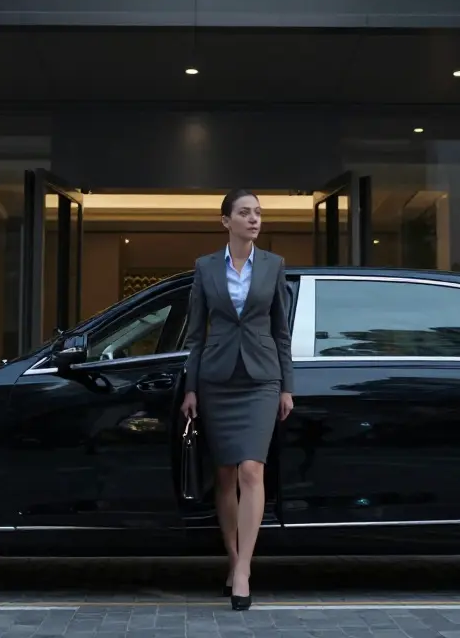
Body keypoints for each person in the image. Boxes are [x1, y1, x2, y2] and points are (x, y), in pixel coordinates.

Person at [179, 189, 295, 611]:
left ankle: (244, 568)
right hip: (217, 379)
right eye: (245, 213)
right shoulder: (205, 267)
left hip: (261, 379)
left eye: (258, 213)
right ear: (226, 221)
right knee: (225, 475)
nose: (254, 219)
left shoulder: (274, 265)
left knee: (251, 469)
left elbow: (281, 332)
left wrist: (286, 386)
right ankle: (231, 557)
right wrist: (191, 387)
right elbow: (195, 335)